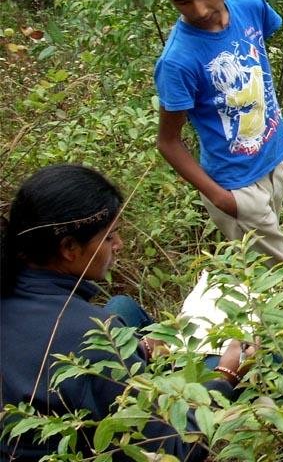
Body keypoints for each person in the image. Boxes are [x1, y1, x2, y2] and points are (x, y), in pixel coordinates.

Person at [0, 164, 254, 461]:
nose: (119, 245)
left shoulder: (14, 283)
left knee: (123, 306)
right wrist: (225, 376)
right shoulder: (94, 332)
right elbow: (171, 451)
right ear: (69, 247)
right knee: (239, 352)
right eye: (109, 237)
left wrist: (134, 350)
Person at [148, 0, 283, 288]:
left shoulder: (249, 4)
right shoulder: (178, 61)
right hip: (234, 185)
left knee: (267, 261)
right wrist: (222, 198)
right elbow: (169, 142)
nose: (200, 9)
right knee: (280, 280)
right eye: (182, 2)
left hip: (272, 160)